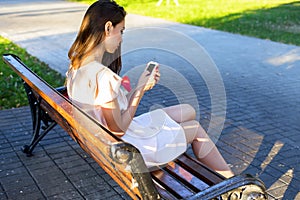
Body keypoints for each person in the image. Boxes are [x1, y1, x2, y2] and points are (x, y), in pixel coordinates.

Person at [66, 0, 234, 178]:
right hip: (127, 150)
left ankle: (184, 151)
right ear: (108, 28)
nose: (121, 38)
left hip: (109, 142)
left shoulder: (76, 68)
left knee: (188, 111)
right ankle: (234, 184)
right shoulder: (102, 76)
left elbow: (109, 112)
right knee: (195, 128)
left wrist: (137, 87)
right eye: (121, 31)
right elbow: (118, 130)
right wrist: (139, 90)